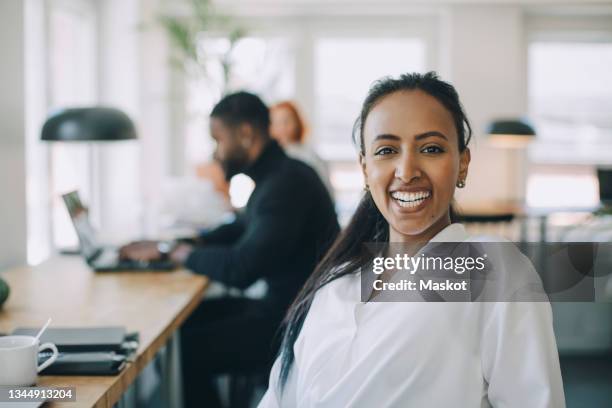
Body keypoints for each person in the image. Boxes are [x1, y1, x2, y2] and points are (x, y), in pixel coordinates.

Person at [258, 73, 565, 407]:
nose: (406, 171)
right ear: (364, 168)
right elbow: (279, 396)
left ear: (462, 164)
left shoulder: (494, 270)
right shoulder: (337, 281)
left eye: (430, 148)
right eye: (387, 150)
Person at [120, 91, 339, 407]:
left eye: (218, 140)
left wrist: (173, 252)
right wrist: (186, 243)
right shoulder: (277, 176)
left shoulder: (285, 185)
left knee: (184, 350)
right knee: (181, 329)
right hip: (283, 307)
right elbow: (242, 227)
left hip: (291, 322)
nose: (215, 153)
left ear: (246, 134)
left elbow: (241, 269)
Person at [270, 101, 333, 196]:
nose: (281, 128)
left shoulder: (310, 156)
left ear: (297, 123)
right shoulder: (270, 158)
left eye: (286, 121)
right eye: (276, 123)